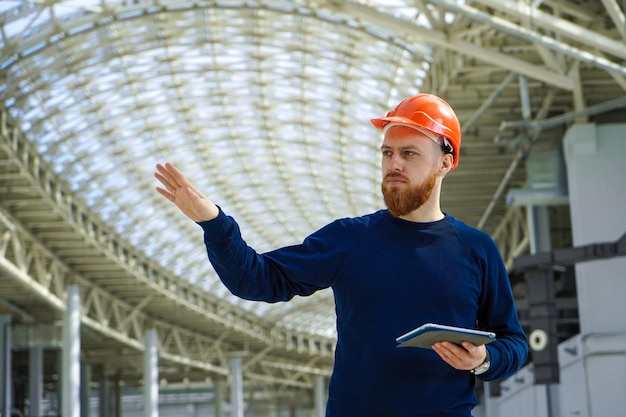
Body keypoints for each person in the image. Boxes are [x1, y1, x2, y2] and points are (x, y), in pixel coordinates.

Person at [154, 93, 528, 416]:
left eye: (408, 153)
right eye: (387, 153)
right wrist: (213, 222)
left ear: (445, 162)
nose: (393, 164)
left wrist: (484, 360)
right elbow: (256, 279)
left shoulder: (477, 250)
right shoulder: (352, 239)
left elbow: (513, 342)